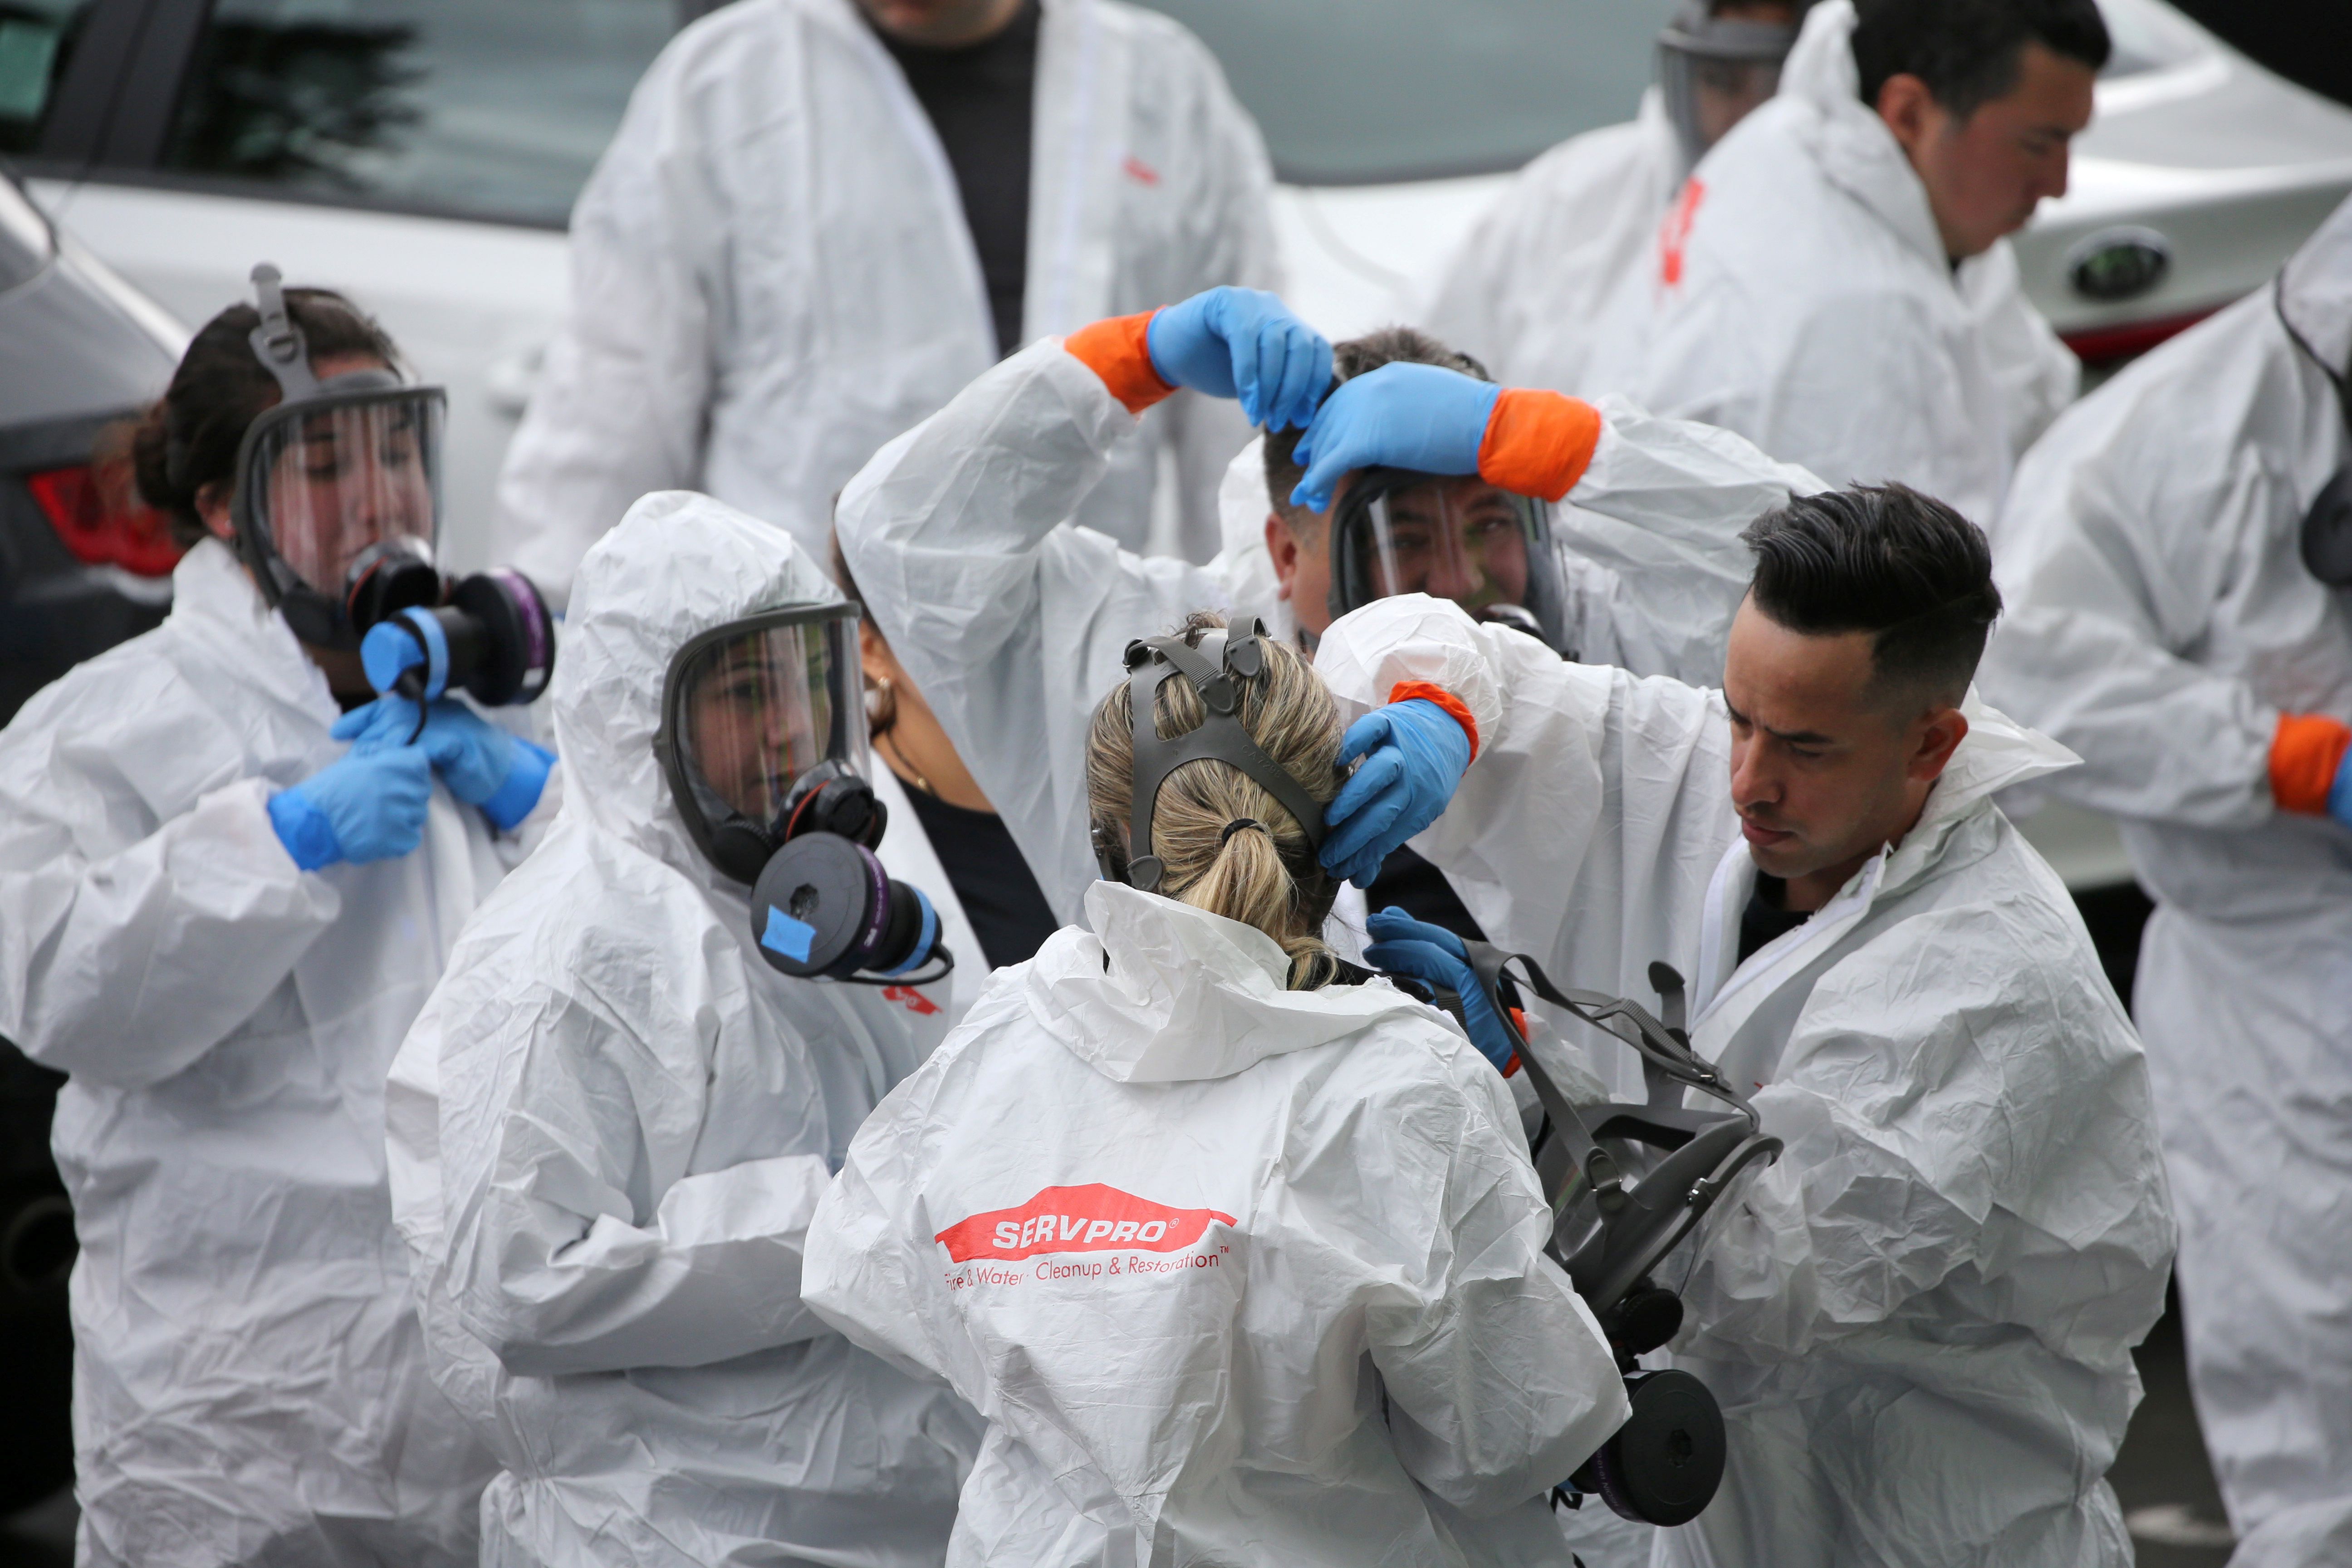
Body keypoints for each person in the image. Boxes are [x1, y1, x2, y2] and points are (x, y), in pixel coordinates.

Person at [1298, 362, 2171, 1562]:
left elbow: (1750, 1286)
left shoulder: (1992, 978)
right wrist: (1436, 708)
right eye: (1740, 715)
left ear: (1933, 743)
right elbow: (1457, 651)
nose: (1748, 779)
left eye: (1803, 745)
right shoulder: (1714, 770)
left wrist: (1506, 1094)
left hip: (1918, 1531)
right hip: (1705, 1522)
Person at [802, 610, 1630, 1564]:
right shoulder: (1400, 1083)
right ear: (1339, 824)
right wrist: (1513, 1099)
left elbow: (862, 1274)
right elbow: (1515, 1438)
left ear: (1112, 847)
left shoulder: (1009, 1030)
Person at [0, 283, 558, 1566]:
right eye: (323, 463)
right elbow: (51, 981)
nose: (382, 500)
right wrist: (276, 844)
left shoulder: (483, 713)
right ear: (219, 506)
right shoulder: (107, 730)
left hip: (477, 1409)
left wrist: (546, 815)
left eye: (398, 450)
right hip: (241, 1417)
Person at [833, 284, 1820, 943]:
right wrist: (1133, 360)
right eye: (1400, 540)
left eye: (1490, 524)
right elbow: (904, 540)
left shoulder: (1609, 637)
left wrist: (1554, 441)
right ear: (1285, 554)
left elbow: (1839, 581)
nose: (1458, 583)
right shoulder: (1176, 684)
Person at [386, 490, 981, 1568]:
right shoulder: (565, 957)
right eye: (747, 692)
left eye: (809, 684)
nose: (791, 731)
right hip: (675, 1531)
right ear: (639, 719)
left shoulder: (811, 894)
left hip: (894, 1516)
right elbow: (518, 1276)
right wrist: (841, 1219)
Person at [1976, 196, 2352, 1568]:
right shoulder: (2161, 443)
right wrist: (2293, 759)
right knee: (2321, 1413)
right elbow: (2036, 671)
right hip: (2276, 990)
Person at [490, 0, 1277, 603]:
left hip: (1084, 707)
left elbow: (1244, 455)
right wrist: (540, 670)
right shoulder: (722, 89)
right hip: (795, 707)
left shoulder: (1165, 96)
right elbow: (601, 444)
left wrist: (1282, 658)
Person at [1582, 0, 2097, 529]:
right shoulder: (1864, 318)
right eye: (2037, 146)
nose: (2059, 185)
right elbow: (1895, 595)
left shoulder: (1790, 140)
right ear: (1909, 113)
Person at [1423, 0, 1811, 396]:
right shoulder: (1569, 196)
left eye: (1771, 86)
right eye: (1721, 80)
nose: (1740, 113)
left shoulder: (1841, 239)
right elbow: (1427, 361)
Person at [833, 536, 1056, 1019]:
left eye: (1014, 604)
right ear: (872, 650)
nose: (997, 635)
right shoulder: (848, 843)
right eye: (950, 617)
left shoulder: (1094, 778)